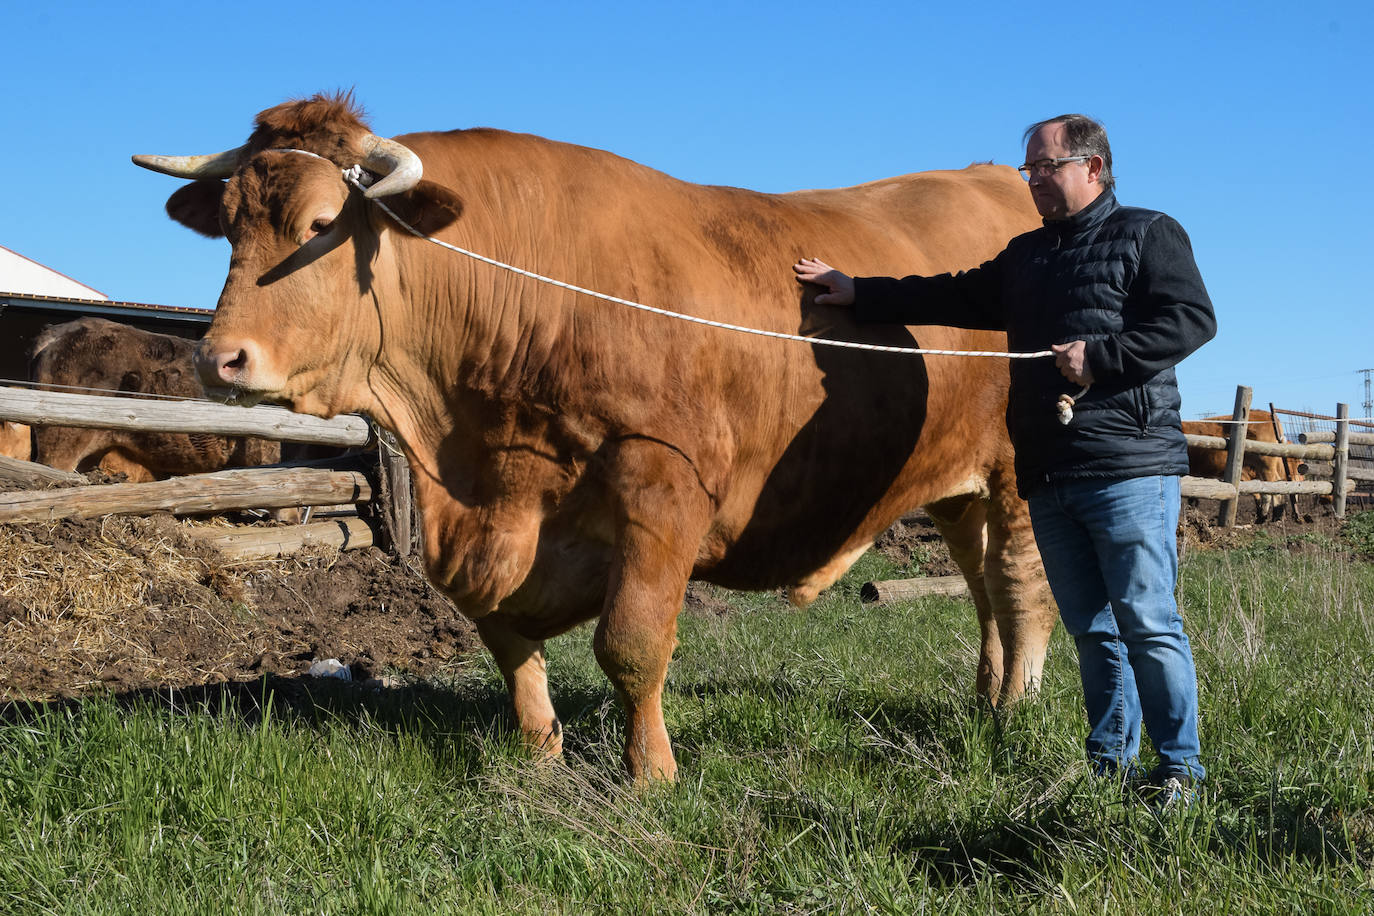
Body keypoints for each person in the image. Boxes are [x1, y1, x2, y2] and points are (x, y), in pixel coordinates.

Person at [794, 114, 1216, 805]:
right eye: (1029, 169)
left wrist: (1102, 359)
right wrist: (860, 289)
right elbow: (950, 292)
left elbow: (1192, 319)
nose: (1034, 181)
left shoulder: (1148, 233)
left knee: (1147, 619)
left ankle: (1179, 771)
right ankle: (1111, 763)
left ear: (1094, 168)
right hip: (1049, 473)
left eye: (1047, 167)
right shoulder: (1027, 257)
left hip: (1129, 467)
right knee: (1090, 627)